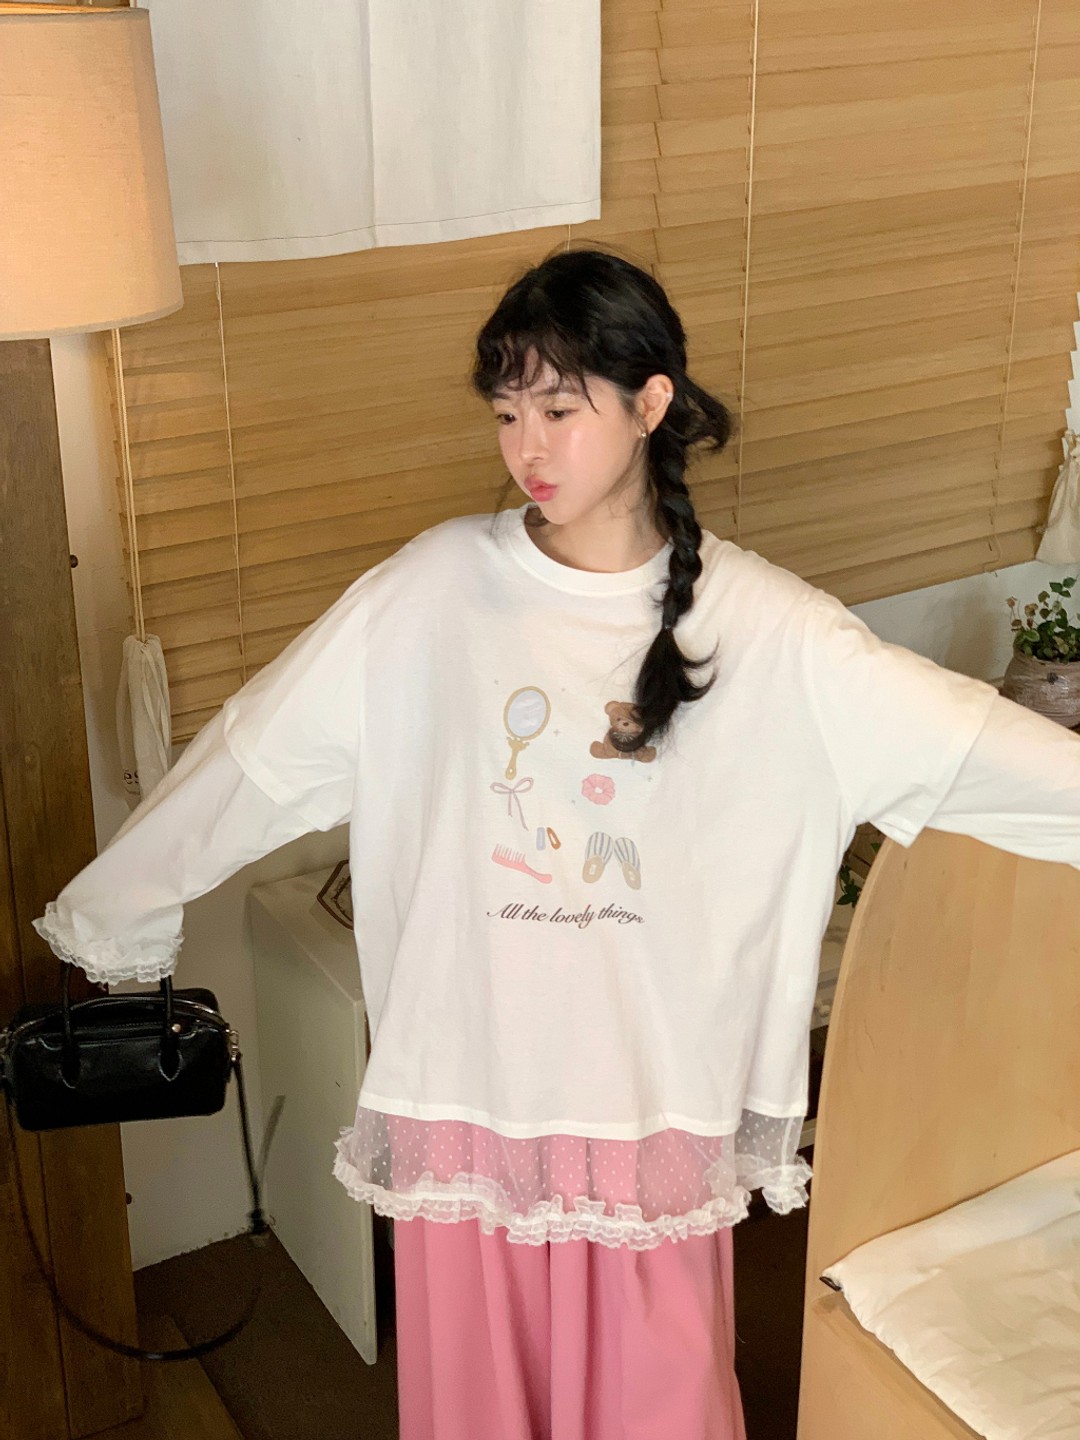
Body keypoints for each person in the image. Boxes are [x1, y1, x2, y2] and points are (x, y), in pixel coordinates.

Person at [33, 246, 1080, 1439]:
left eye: (561, 409)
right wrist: (119, 903)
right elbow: (256, 754)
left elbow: (972, 746)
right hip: (471, 1095)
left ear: (650, 403)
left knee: (662, 1404)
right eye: (506, 413)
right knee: (478, 1411)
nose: (528, 446)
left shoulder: (775, 633)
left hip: (648, 1111)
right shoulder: (431, 593)